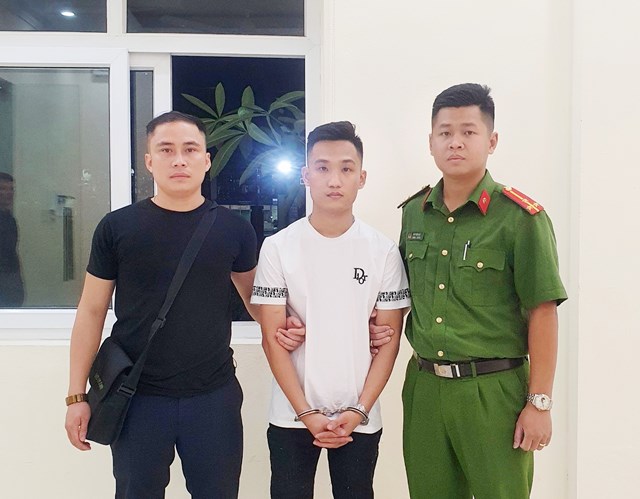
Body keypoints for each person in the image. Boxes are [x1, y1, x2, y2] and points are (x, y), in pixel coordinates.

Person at [64, 111, 303, 499]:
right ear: (149, 161)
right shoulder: (117, 227)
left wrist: (291, 325)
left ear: (206, 161)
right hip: (136, 398)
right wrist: (77, 396)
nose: (179, 160)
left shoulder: (234, 229)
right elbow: (91, 311)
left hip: (213, 398)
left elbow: (257, 301)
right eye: (166, 150)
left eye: (190, 150)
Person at [390, 83, 567, 498]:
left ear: (491, 141)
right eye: (445, 132)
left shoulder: (520, 218)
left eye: (468, 132)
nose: (455, 142)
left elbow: (543, 311)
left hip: (494, 392)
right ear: (431, 142)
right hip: (425, 388)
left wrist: (539, 402)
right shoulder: (415, 213)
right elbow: (398, 298)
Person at [251, 121, 410, 499]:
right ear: (306, 175)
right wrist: (306, 412)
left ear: (361, 177)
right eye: (322, 168)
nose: (334, 180)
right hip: (291, 414)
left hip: (360, 415)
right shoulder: (278, 247)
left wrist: (360, 409)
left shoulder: (383, 251)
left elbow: (389, 340)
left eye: (346, 168)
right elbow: (272, 339)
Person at [0, 171, 24, 307]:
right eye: (3, 189)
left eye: (11, 189)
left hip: (11, 280)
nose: (8, 193)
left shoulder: (10, 220)